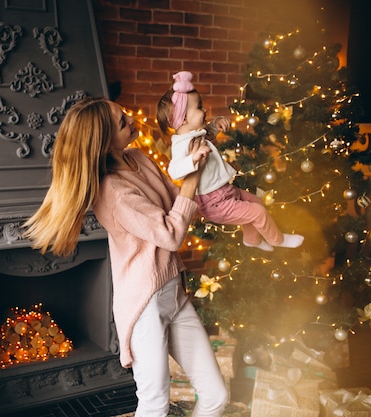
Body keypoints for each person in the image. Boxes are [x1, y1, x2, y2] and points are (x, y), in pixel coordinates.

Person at [23, 97, 229, 417]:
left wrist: (201, 165)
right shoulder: (113, 191)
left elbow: (177, 202)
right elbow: (172, 234)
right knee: (154, 404)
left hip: (173, 292)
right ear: (105, 141)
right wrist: (192, 177)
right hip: (144, 303)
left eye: (126, 115)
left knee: (215, 394)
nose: (132, 121)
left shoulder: (139, 158)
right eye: (122, 122)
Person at [157, 71, 304, 252]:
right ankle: (277, 239)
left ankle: (252, 240)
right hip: (214, 202)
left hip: (225, 191)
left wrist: (215, 124)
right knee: (259, 213)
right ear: (184, 118)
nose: (205, 110)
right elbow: (174, 170)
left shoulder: (193, 133)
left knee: (257, 203)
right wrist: (193, 159)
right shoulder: (181, 144)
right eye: (199, 107)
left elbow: (207, 135)